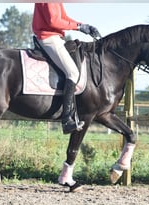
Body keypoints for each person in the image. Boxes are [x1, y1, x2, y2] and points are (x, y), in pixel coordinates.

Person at [32, 3, 100, 134]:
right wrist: (79, 27)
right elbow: (54, 21)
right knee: (73, 73)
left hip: (54, 37)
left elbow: (63, 17)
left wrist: (83, 26)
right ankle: (66, 119)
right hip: (48, 38)